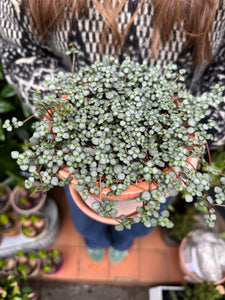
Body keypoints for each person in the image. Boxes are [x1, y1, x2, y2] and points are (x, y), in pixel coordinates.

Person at [0, 0, 225, 263]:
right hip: (83, 150)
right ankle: (94, 240)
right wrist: (68, 107)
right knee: (86, 218)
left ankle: (123, 242)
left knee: (142, 221)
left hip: (166, 151)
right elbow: (18, 53)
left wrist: (196, 124)